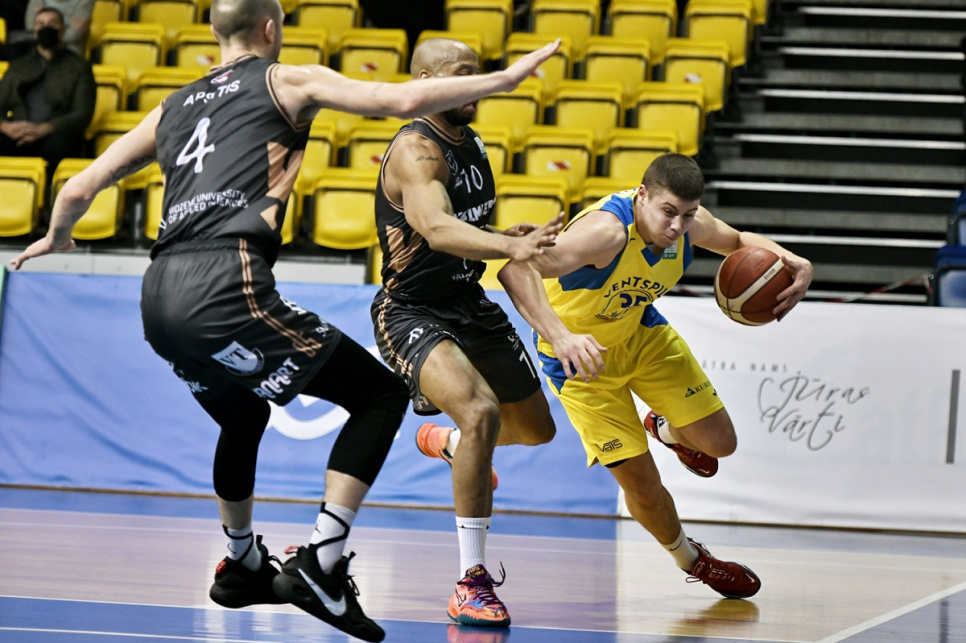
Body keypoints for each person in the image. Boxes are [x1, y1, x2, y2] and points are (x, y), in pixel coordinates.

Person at [9, 0, 560, 639]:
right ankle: (322, 561)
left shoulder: (174, 104)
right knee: (380, 396)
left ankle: (241, 561)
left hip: (157, 296)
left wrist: (58, 237)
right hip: (227, 283)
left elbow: (79, 187)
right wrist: (504, 78)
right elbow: (396, 99)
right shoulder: (283, 80)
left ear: (215, 32)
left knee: (243, 415)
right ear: (271, 29)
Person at [498, 153, 814, 600]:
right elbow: (516, 267)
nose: (677, 227)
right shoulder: (606, 234)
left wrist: (793, 260)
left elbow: (739, 240)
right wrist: (561, 336)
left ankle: (663, 428)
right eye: (668, 212)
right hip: (580, 362)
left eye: (687, 215)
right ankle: (692, 559)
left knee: (720, 444)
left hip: (641, 335)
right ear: (642, 195)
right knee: (643, 487)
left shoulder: (687, 224)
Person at [369, 38, 563, 629]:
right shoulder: (417, 150)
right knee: (480, 411)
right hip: (411, 310)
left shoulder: (471, 142)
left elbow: (465, 226)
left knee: (536, 429)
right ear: (427, 80)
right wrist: (508, 247)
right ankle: (470, 582)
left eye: (479, 73)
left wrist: (505, 235)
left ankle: (452, 445)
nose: (475, 84)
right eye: (463, 73)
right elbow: (434, 226)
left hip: (466, 300)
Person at [0, 6, 95, 182]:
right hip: (18, 134)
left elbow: (82, 114)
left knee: (63, 142)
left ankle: (52, 195)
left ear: (63, 30)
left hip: (55, 135)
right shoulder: (18, 66)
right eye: (41, 24)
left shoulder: (79, 67)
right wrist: (6, 127)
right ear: (34, 30)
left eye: (52, 24)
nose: (46, 28)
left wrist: (44, 129)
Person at [24, 0, 93, 55]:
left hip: (70, 51)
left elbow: (75, 34)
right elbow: (31, 26)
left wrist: (47, 37)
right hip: (40, 49)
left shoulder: (84, 1)